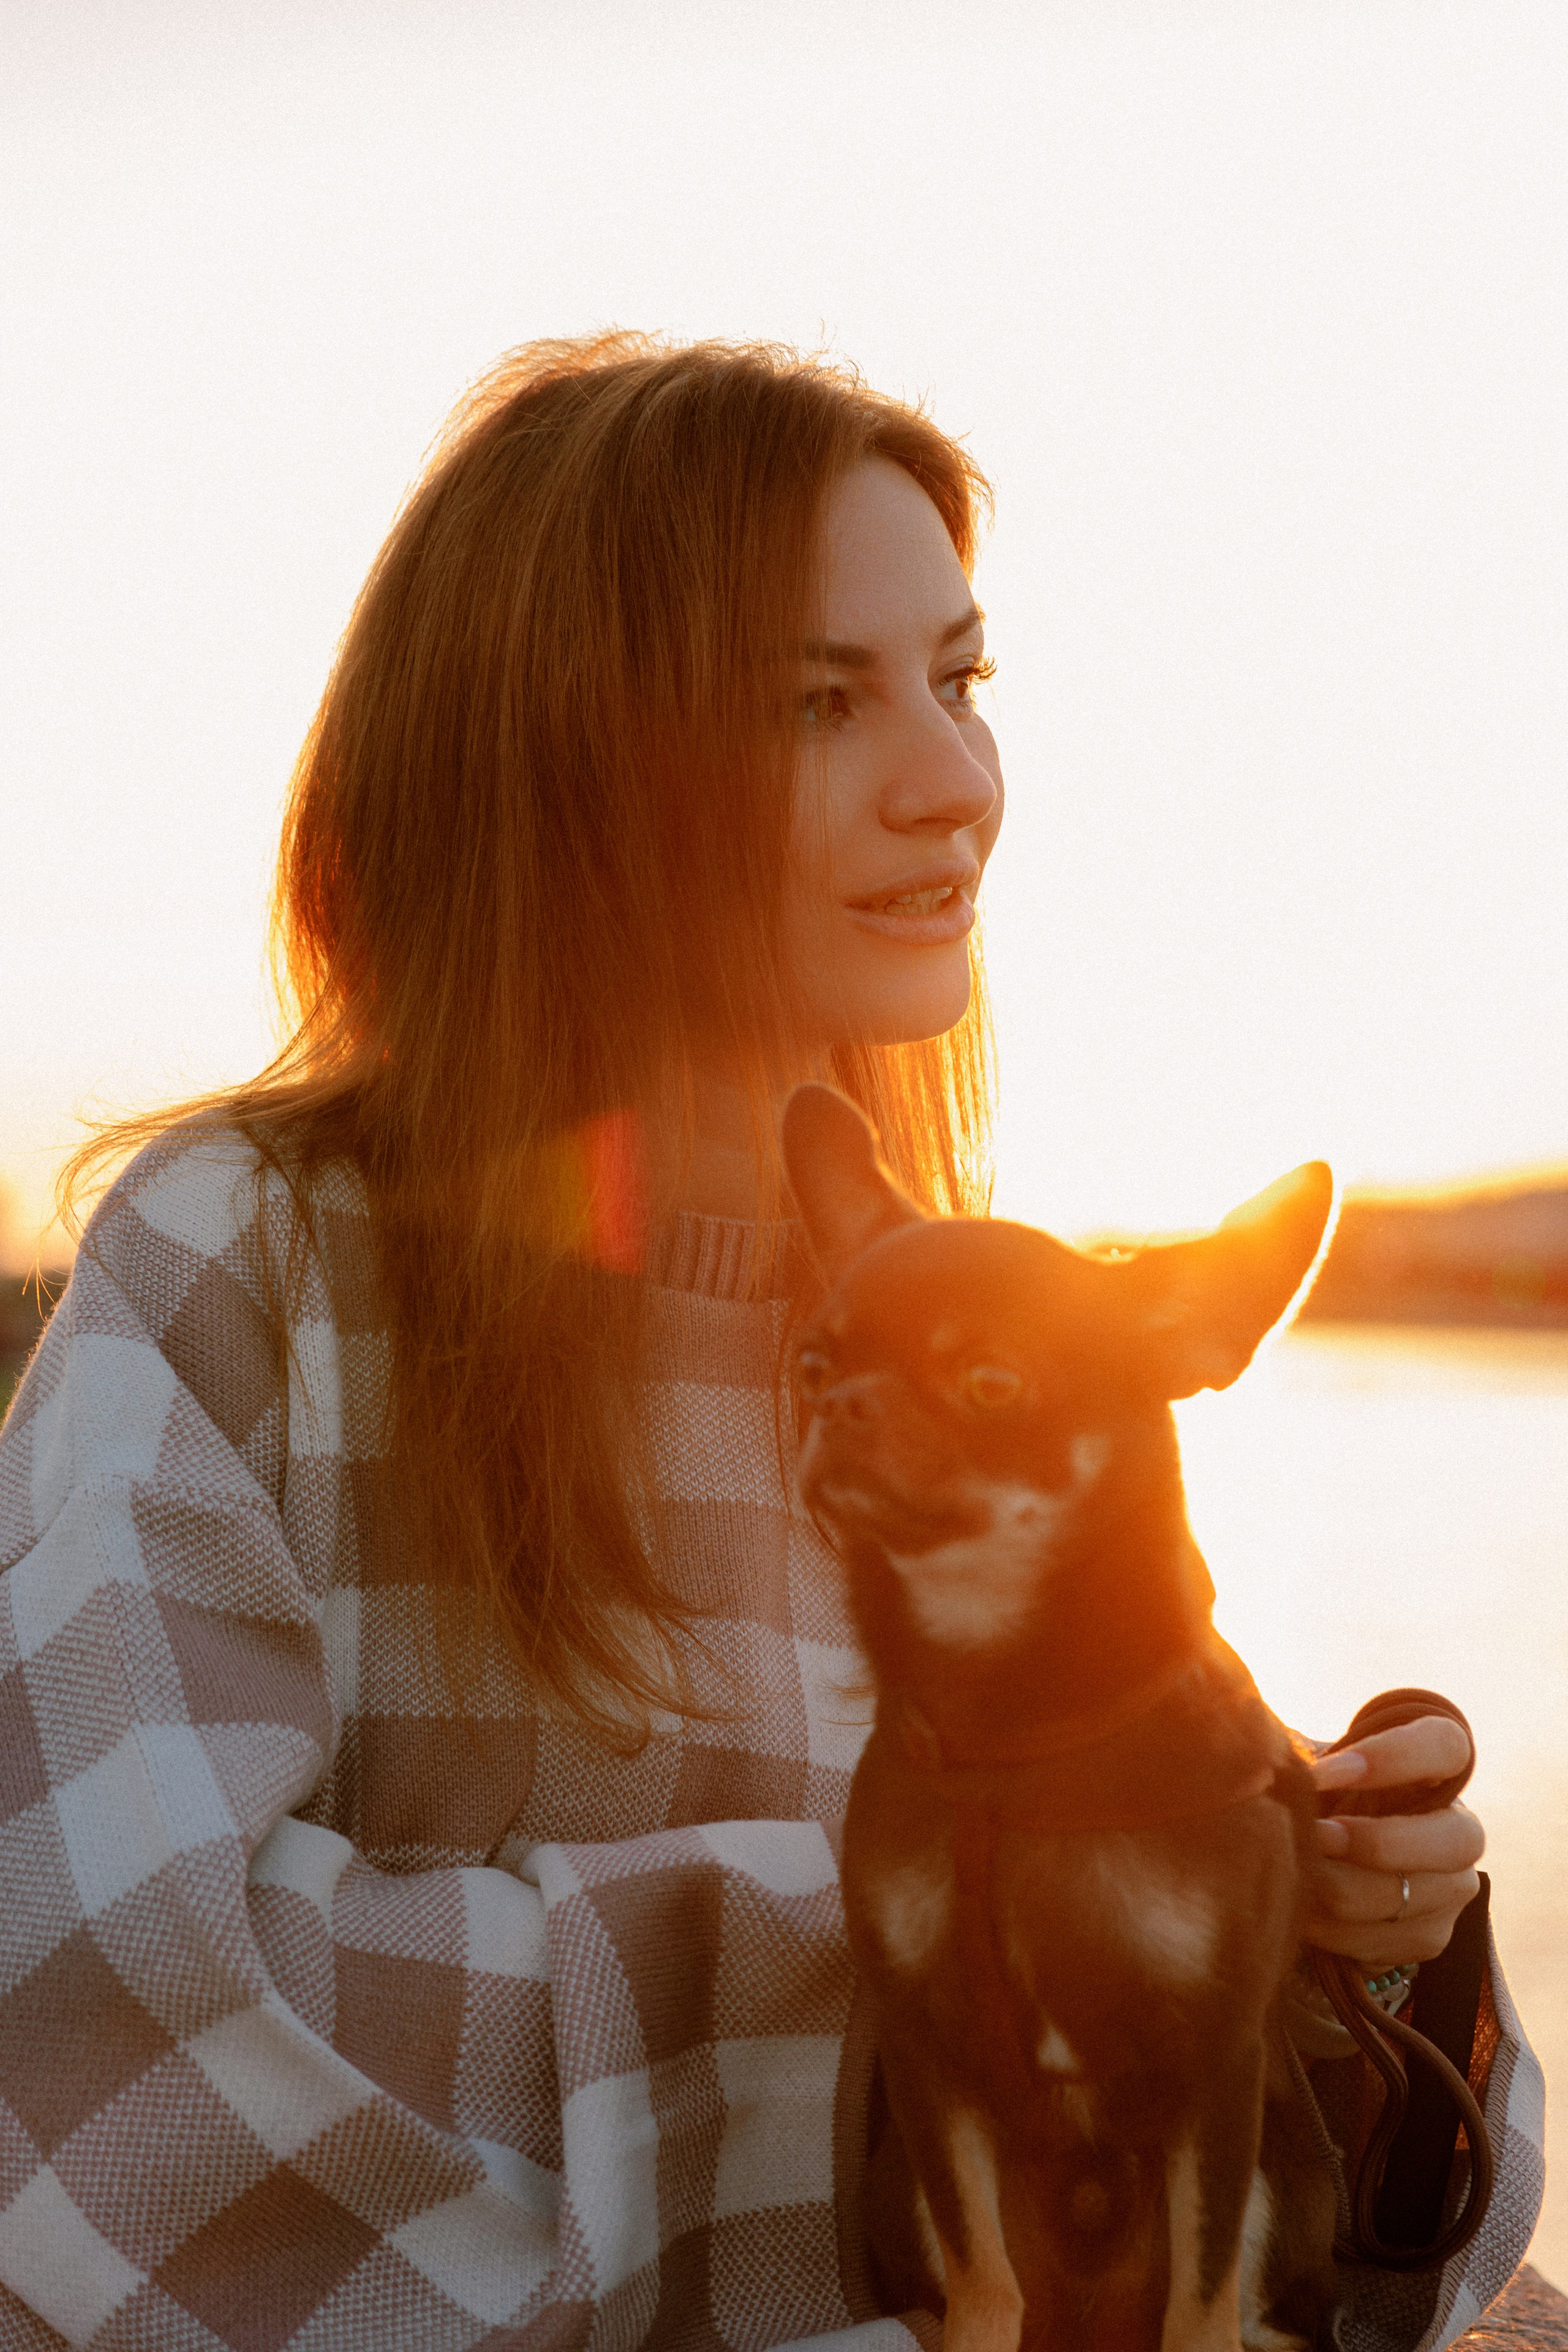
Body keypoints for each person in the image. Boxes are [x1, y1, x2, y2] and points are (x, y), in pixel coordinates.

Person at [0, 334, 1541, 2351]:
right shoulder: (242, 1258)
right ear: (564, 766)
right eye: (825, 701)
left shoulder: (970, 1331)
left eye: (961, 680)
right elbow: (104, 2039)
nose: (955, 781)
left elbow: (1287, 2215)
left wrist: (1354, 1936)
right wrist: (948, 1961)